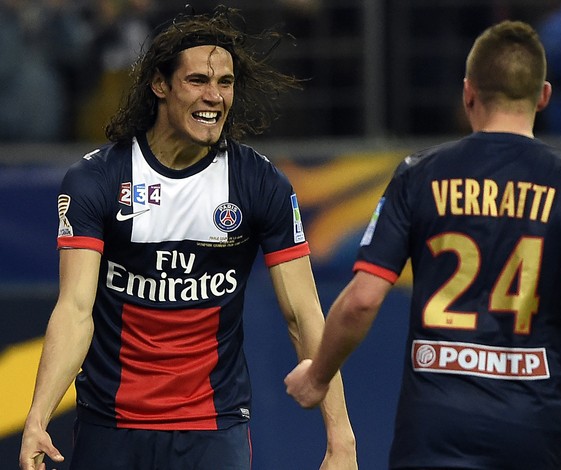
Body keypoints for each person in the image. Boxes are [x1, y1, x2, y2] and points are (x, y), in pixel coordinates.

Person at [284, 20, 561, 469]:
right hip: (533, 425)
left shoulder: (418, 174)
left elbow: (362, 300)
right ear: (543, 96)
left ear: (468, 93)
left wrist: (317, 377)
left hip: (434, 425)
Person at [19, 6, 356, 470]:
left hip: (213, 429)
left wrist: (342, 439)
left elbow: (303, 314)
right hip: (112, 426)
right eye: (198, 80)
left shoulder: (259, 184)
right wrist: (38, 416)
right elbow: (76, 310)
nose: (214, 96)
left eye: (225, 83)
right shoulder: (97, 180)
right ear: (161, 85)